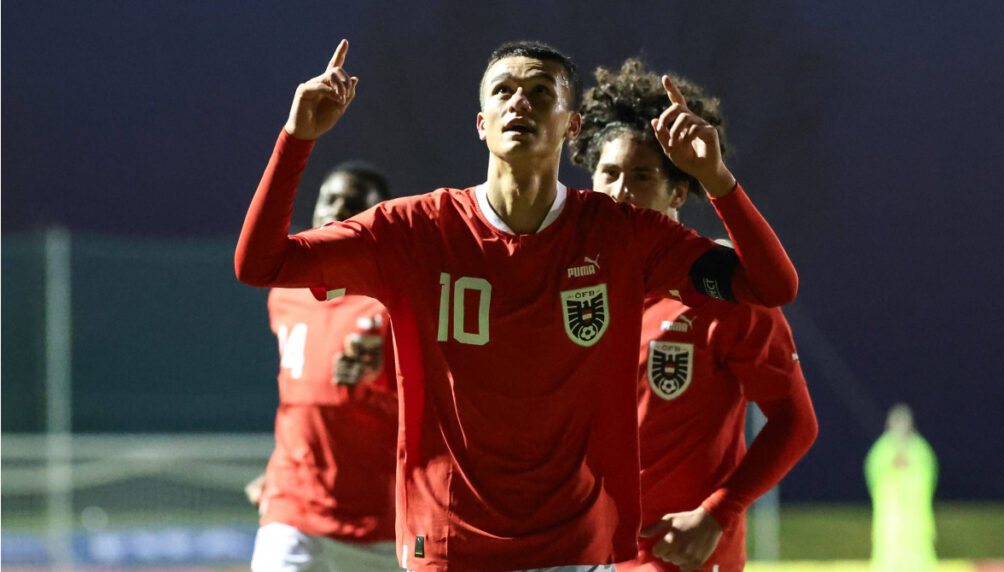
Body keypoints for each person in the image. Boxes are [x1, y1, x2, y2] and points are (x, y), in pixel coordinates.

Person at [235, 38, 798, 571]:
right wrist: (296, 138)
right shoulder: (415, 231)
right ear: (482, 123)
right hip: (448, 544)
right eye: (502, 90)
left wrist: (716, 179)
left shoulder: (620, 236)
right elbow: (261, 265)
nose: (519, 102)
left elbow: (771, 287)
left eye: (541, 92)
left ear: (571, 125)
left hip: (575, 544)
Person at [569, 59, 818, 572]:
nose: (620, 191)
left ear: (679, 191)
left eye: (641, 176)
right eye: (608, 174)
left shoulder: (719, 288)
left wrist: (718, 513)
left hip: (680, 556)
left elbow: (796, 422)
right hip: (582, 553)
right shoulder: (571, 283)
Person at [248, 163, 402, 572]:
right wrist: (278, 466)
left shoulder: (401, 295)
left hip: (380, 521)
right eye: (329, 199)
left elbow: (439, 404)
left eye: (353, 205)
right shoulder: (286, 288)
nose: (336, 211)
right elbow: (300, 394)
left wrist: (382, 378)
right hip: (293, 504)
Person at [865, 404, 938, 572]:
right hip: (890, 514)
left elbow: (928, 474)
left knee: (918, 550)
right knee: (889, 549)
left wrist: (909, 471)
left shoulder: (920, 448)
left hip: (915, 514)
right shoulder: (882, 449)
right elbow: (875, 473)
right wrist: (892, 467)